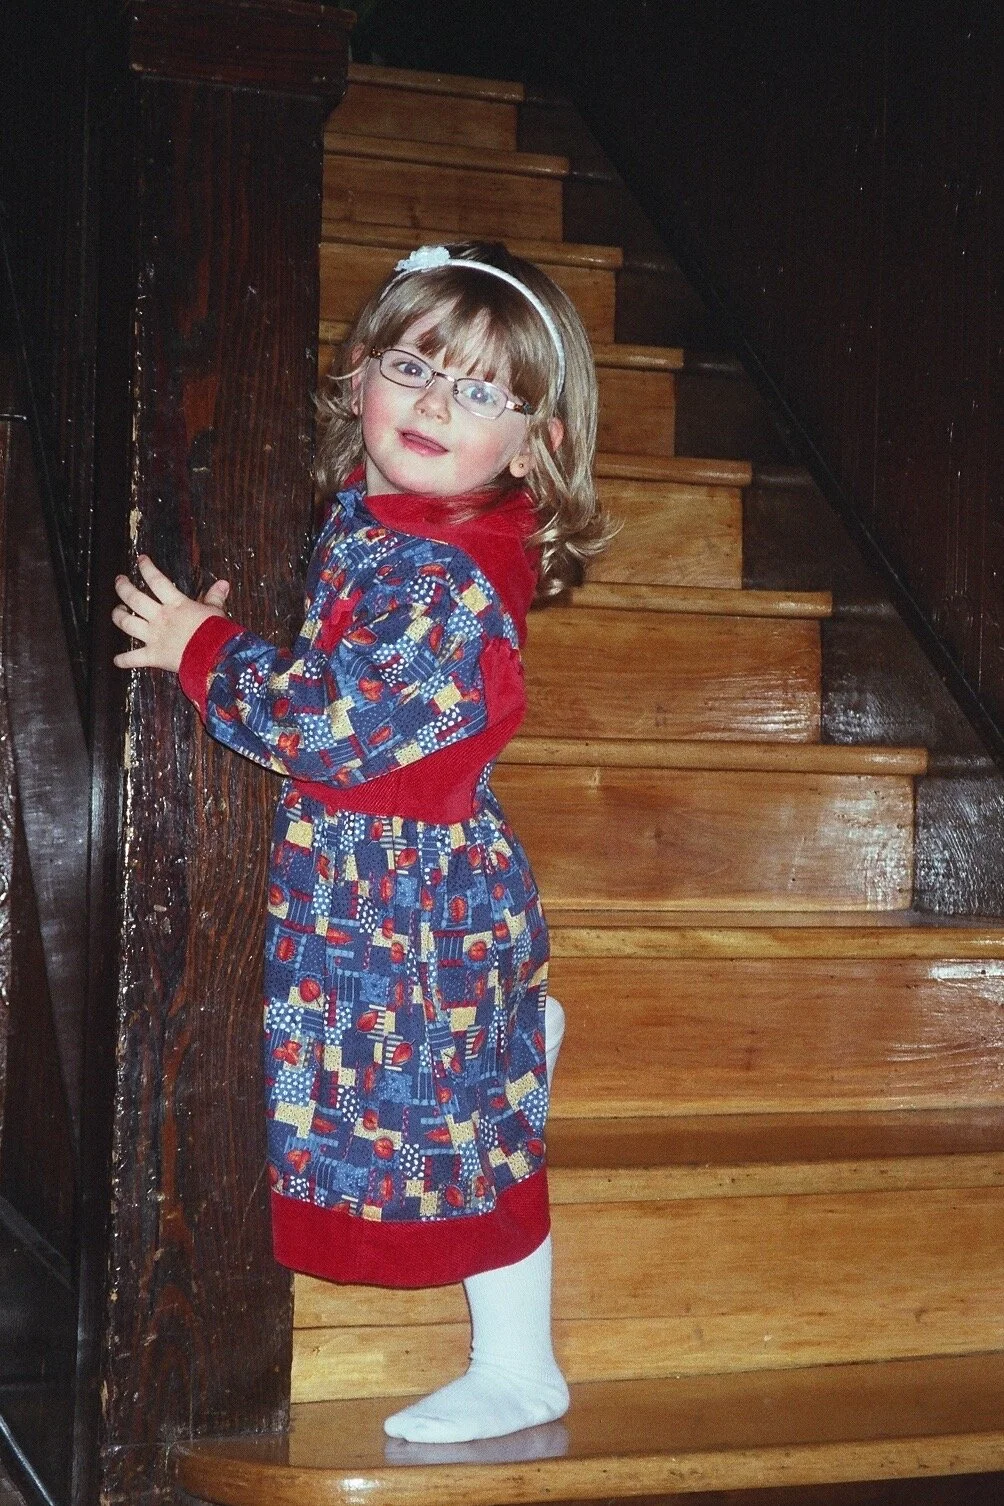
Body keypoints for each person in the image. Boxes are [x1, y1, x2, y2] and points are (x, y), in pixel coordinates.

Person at [111, 240, 609, 1443]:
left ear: (535, 445)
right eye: (413, 367)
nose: (436, 404)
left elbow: (338, 722)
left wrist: (205, 651)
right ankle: (510, 1037)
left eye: (483, 391)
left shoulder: (447, 571)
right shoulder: (390, 524)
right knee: (444, 1106)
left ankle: (520, 1366)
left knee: (455, 1139)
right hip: (379, 896)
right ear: (356, 381)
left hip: (410, 913)